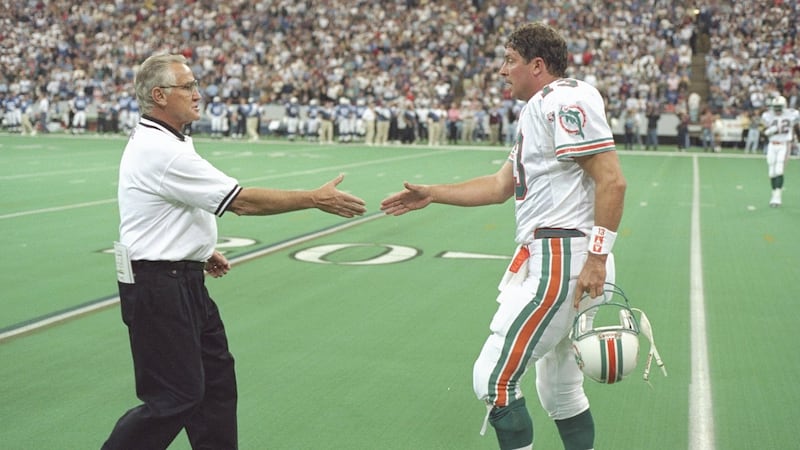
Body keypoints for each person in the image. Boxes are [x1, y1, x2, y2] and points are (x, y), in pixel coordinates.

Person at [380, 23, 626, 450]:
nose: (501, 70)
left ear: (537, 65)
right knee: (560, 390)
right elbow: (499, 187)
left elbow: (612, 181)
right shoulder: (539, 108)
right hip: (560, 254)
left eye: (510, 60)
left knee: (494, 379)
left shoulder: (564, 98)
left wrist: (598, 258)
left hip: (562, 256)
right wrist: (432, 194)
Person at [105, 53, 367, 450]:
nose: (198, 93)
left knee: (215, 385)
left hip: (178, 277)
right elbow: (241, 202)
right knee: (175, 396)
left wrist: (197, 250)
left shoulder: (166, 139)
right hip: (159, 284)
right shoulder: (163, 149)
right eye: (187, 86)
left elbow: (167, 206)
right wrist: (313, 198)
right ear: (159, 95)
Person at [761, 95, 800, 207]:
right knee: (771, 172)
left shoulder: (792, 114)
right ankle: (774, 193)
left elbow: (797, 127)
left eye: (779, 107)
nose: (777, 110)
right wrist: (768, 131)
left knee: (779, 170)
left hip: (784, 144)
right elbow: (763, 130)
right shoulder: (768, 115)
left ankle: (777, 197)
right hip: (772, 145)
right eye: (776, 107)